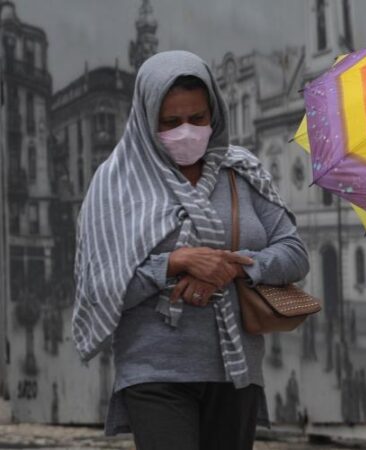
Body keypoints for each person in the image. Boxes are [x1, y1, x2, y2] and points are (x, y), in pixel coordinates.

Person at [71, 51, 309, 450]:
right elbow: (101, 291)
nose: (187, 131)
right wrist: (174, 263)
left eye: (197, 119)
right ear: (148, 120)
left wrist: (232, 267)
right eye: (171, 122)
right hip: (155, 372)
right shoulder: (117, 183)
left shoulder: (243, 171)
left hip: (235, 374)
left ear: (214, 114)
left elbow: (295, 254)